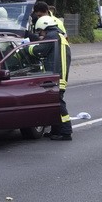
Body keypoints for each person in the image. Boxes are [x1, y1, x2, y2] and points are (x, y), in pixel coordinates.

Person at [27, 10, 72, 141]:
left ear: (44, 26)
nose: (41, 34)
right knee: (54, 103)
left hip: (57, 74)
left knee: (58, 103)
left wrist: (27, 47)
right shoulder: (58, 34)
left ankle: (66, 131)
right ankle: (56, 130)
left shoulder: (52, 35)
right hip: (60, 73)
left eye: (40, 31)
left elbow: (40, 50)